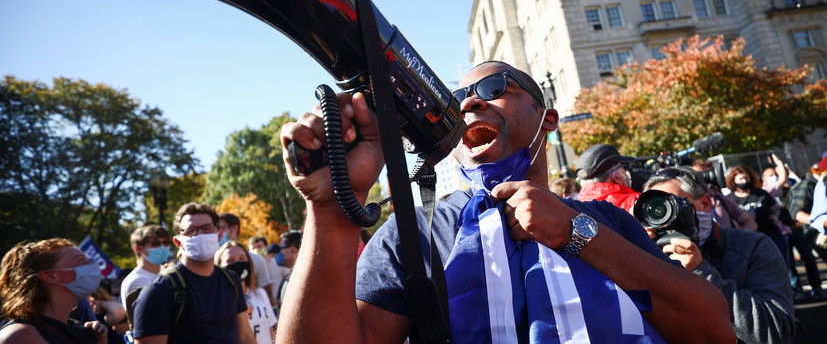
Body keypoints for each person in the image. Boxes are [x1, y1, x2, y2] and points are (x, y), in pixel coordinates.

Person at [277, 61, 735, 343]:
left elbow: (713, 330)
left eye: (495, 88)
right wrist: (333, 210)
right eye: (457, 102)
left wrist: (575, 233)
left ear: (547, 118)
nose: (471, 104)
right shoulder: (415, 233)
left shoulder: (608, 221)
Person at [642, 167, 794, 344]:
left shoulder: (752, 246)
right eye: (654, 211)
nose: (664, 220)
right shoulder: (645, 255)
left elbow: (775, 334)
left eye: (670, 206)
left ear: (706, 204)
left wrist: (702, 274)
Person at [131, 202, 256, 344]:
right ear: (178, 242)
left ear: (218, 235)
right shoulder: (159, 291)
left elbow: (245, 336)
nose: (200, 235)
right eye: (191, 230)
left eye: (206, 228)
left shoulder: (231, 280)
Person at [0, 238, 108, 344]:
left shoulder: (81, 329)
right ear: (50, 276)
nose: (91, 264)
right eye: (81, 260)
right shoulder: (21, 336)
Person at [216, 242, 276, 344]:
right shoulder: (217, 300)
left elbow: (270, 330)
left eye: (242, 259)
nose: (237, 264)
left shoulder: (260, 293)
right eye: (230, 260)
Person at [785, 155, 827, 301]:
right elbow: (796, 213)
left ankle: (817, 289)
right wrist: (822, 222)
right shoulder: (807, 185)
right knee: (802, 262)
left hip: (815, 231)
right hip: (808, 232)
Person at [219, 213, 274, 302]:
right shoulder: (213, 260)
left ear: (234, 228)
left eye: (221, 228)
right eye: (230, 260)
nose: (218, 232)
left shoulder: (257, 260)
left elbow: (267, 293)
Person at [691, 158, 758, 231]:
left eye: (706, 173)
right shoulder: (685, 202)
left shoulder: (719, 198)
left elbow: (750, 222)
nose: (704, 177)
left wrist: (737, 238)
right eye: (698, 173)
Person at [575, 143, 640, 211]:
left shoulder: (577, 208)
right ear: (617, 177)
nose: (626, 172)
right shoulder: (638, 202)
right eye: (623, 167)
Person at [120, 225, 172, 309]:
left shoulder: (164, 274)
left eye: (165, 243)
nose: (163, 247)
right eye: (155, 243)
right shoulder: (137, 281)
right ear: (139, 248)